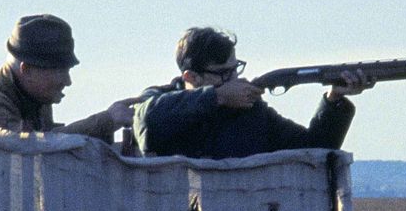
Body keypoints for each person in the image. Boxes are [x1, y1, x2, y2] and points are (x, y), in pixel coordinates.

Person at [133, 27, 373, 159]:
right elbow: (147, 122)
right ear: (191, 78)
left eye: (234, 70)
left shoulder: (251, 113)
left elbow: (316, 148)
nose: (234, 79)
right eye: (223, 74)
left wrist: (334, 100)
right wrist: (218, 97)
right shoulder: (160, 101)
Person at [0, 14, 136, 141]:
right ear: (26, 70)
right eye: (60, 71)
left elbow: (47, 138)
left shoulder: (34, 95)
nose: (68, 81)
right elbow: (36, 149)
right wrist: (106, 121)